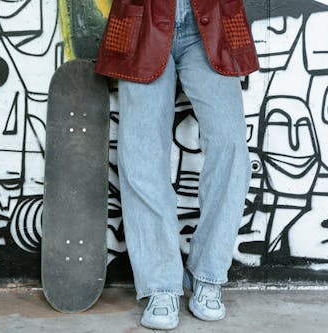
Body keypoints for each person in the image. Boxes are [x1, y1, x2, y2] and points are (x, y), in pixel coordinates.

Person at [95, 0, 259, 330]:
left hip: (209, 22)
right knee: (140, 153)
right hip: (142, 21)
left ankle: (208, 273)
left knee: (230, 145)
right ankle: (161, 285)